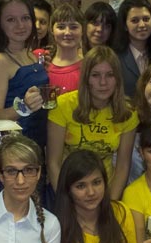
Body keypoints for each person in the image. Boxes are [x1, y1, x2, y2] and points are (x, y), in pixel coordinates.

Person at [47, 46, 138, 200]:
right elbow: (53, 163)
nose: (103, 82)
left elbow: (123, 166)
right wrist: (66, 201)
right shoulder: (63, 105)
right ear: (85, 78)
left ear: (118, 78)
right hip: (66, 190)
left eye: (110, 75)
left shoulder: (128, 112)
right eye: (95, 75)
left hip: (104, 192)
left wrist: (111, 204)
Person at [0, 0, 46, 149]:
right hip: (16, 148)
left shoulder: (31, 54)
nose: (20, 25)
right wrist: (24, 107)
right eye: (11, 19)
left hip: (40, 143)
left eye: (25, 18)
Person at [113, 0, 151, 98]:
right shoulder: (115, 57)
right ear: (125, 26)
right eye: (135, 20)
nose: (142, 25)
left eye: (146, 19)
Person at [47, 4, 84, 94]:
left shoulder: (88, 68)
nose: (67, 32)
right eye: (61, 27)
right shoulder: (42, 63)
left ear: (83, 30)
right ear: (52, 30)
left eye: (73, 27)